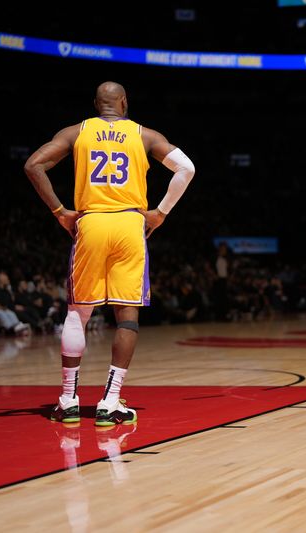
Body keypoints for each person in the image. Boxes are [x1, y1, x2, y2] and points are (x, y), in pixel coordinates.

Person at [24, 81, 195, 425]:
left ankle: (68, 400)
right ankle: (110, 401)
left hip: (91, 223)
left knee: (78, 314)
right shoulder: (145, 135)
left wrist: (60, 212)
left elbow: (33, 165)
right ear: (124, 102)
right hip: (131, 225)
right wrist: (160, 213)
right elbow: (186, 168)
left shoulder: (76, 132)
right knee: (127, 316)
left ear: (96, 105)